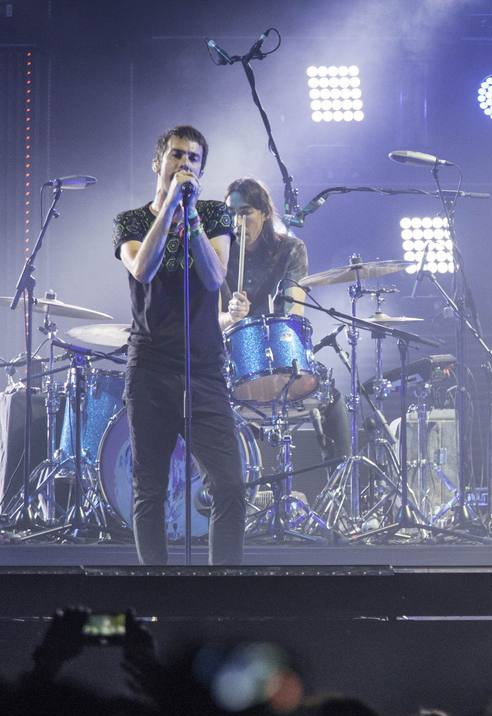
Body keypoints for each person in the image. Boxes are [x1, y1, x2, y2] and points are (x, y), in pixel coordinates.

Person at [113, 125, 245, 564]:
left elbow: (214, 277)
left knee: (229, 485)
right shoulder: (130, 222)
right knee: (149, 488)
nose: (184, 165)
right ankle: (157, 600)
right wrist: (168, 207)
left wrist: (189, 220)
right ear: (158, 162)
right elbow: (142, 270)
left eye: (193, 160)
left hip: (203, 368)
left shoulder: (214, 215)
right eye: (176, 156)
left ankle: (223, 601)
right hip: (149, 367)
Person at [218, 177, 350, 462]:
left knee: (329, 396)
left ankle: (340, 483)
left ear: (264, 213)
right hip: (230, 360)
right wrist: (230, 317)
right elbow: (205, 321)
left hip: (280, 354)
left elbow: (294, 310)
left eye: (245, 212)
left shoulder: (290, 249)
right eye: (230, 213)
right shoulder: (219, 255)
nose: (236, 221)